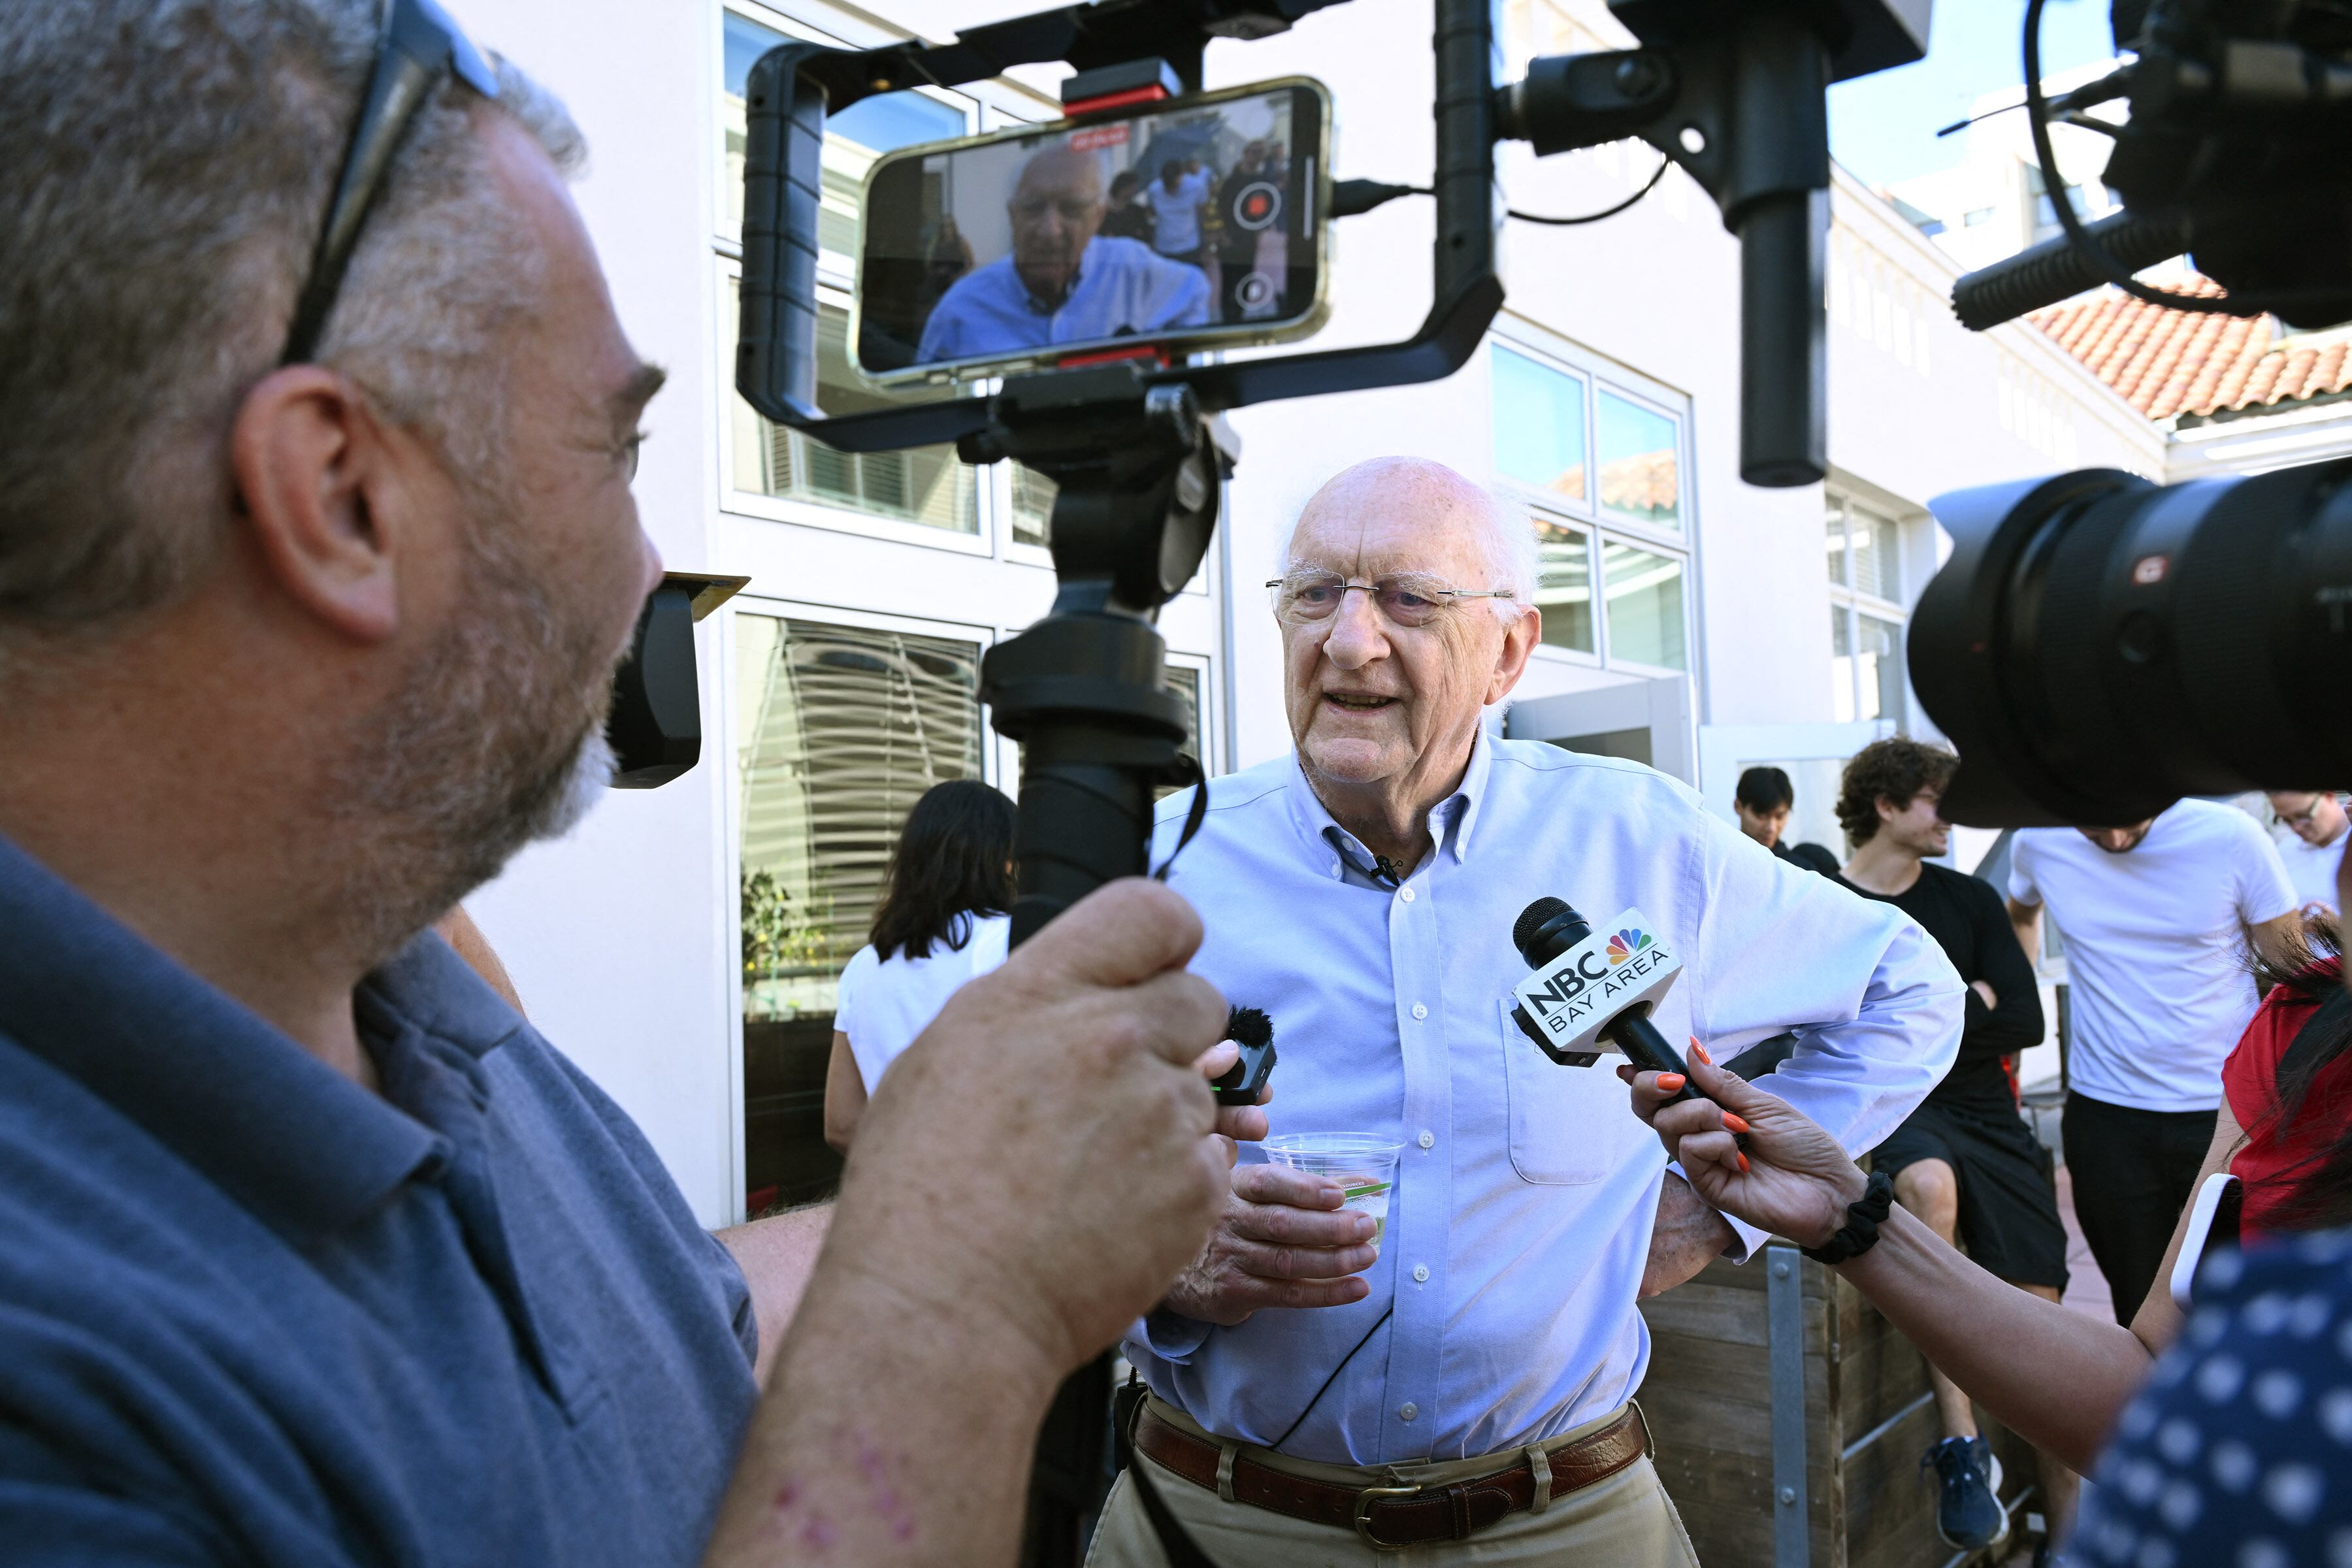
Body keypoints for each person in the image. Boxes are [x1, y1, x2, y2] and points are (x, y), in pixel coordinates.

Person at [0, 6, 1260, 1565]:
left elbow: (679, 1355)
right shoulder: (48, 1387)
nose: (652, 570)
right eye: (617, 451)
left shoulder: (396, 982)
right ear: (338, 496)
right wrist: (964, 1303)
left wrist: (1020, 1204)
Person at [1084, 457, 1965, 1565]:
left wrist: (1714, 1211)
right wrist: (1149, 1264)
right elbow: (1016, 1167)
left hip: (1563, 1521)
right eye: (1315, 593)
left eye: (1408, 599)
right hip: (1217, 1518)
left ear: (1507, 650)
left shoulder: (1641, 843)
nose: (1349, 641)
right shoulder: (1156, 870)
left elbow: (1911, 989)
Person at [1831, 739, 2065, 1550]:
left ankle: (2069, 1542)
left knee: (2045, 1319)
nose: (1951, 819)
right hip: (1897, 1106)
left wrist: (1905, 1019)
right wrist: (1961, 1002)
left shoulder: (1967, 898)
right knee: (1928, 1187)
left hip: (1983, 1109)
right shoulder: (1822, 900)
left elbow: (2026, 1021)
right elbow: (1812, 1026)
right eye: (1937, 801)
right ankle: (1961, 1446)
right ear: (1889, 807)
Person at [2009, 804, 2300, 1326]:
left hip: (2227, 1115)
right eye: (2095, 822)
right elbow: (2021, 913)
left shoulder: (2231, 836)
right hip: (2107, 1118)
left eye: (2133, 817)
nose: (2117, 837)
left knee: (2234, 1300)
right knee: (2138, 1305)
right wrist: (2014, 995)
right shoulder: (2038, 840)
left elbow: (2292, 973)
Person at [823, 778, 1015, 1151]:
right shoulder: (1011, 941)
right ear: (1004, 862)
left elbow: (841, 1124)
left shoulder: (864, 966)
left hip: (901, 1196)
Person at [915, 144, 1209, 364]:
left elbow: (1196, 290)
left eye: (1071, 209)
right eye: (1032, 208)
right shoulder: (959, 311)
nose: (1050, 231)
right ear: (1012, 215)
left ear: (1098, 216)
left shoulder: (1134, 270)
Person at [1735, 763, 1839, 874]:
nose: (1772, 828)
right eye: (1761, 816)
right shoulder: (1725, 860)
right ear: (1738, 806)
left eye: (1780, 816)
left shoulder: (1800, 870)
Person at [1214, 140, 1272, 319]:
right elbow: (1217, 209)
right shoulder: (1231, 181)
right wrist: (1221, 235)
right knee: (1228, 282)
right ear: (1246, 153)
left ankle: (1238, 316)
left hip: (1248, 240)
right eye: (1254, 152)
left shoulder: (1261, 182)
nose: (1256, 156)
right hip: (1229, 238)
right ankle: (1227, 319)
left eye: (1260, 153)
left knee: (1246, 279)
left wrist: (1259, 234)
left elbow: (1265, 211)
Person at [2269, 788, 2348, 916]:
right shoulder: (2285, 851)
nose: (2297, 827)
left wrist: (2341, 929)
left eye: (2303, 816)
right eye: (2286, 820)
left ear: (2328, 795)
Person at [1143, 155, 1214, 266]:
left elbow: (1203, 213)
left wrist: (1207, 242)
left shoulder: (1197, 187)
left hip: (1189, 247)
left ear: (1182, 176)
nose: (1171, 190)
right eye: (1168, 186)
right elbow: (1150, 213)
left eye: (1175, 185)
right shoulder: (1154, 190)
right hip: (1163, 247)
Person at [1099, 167, 1155, 244]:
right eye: (1132, 188)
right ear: (1122, 188)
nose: (1135, 190)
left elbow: (1146, 235)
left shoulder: (1137, 211)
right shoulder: (1104, 213)